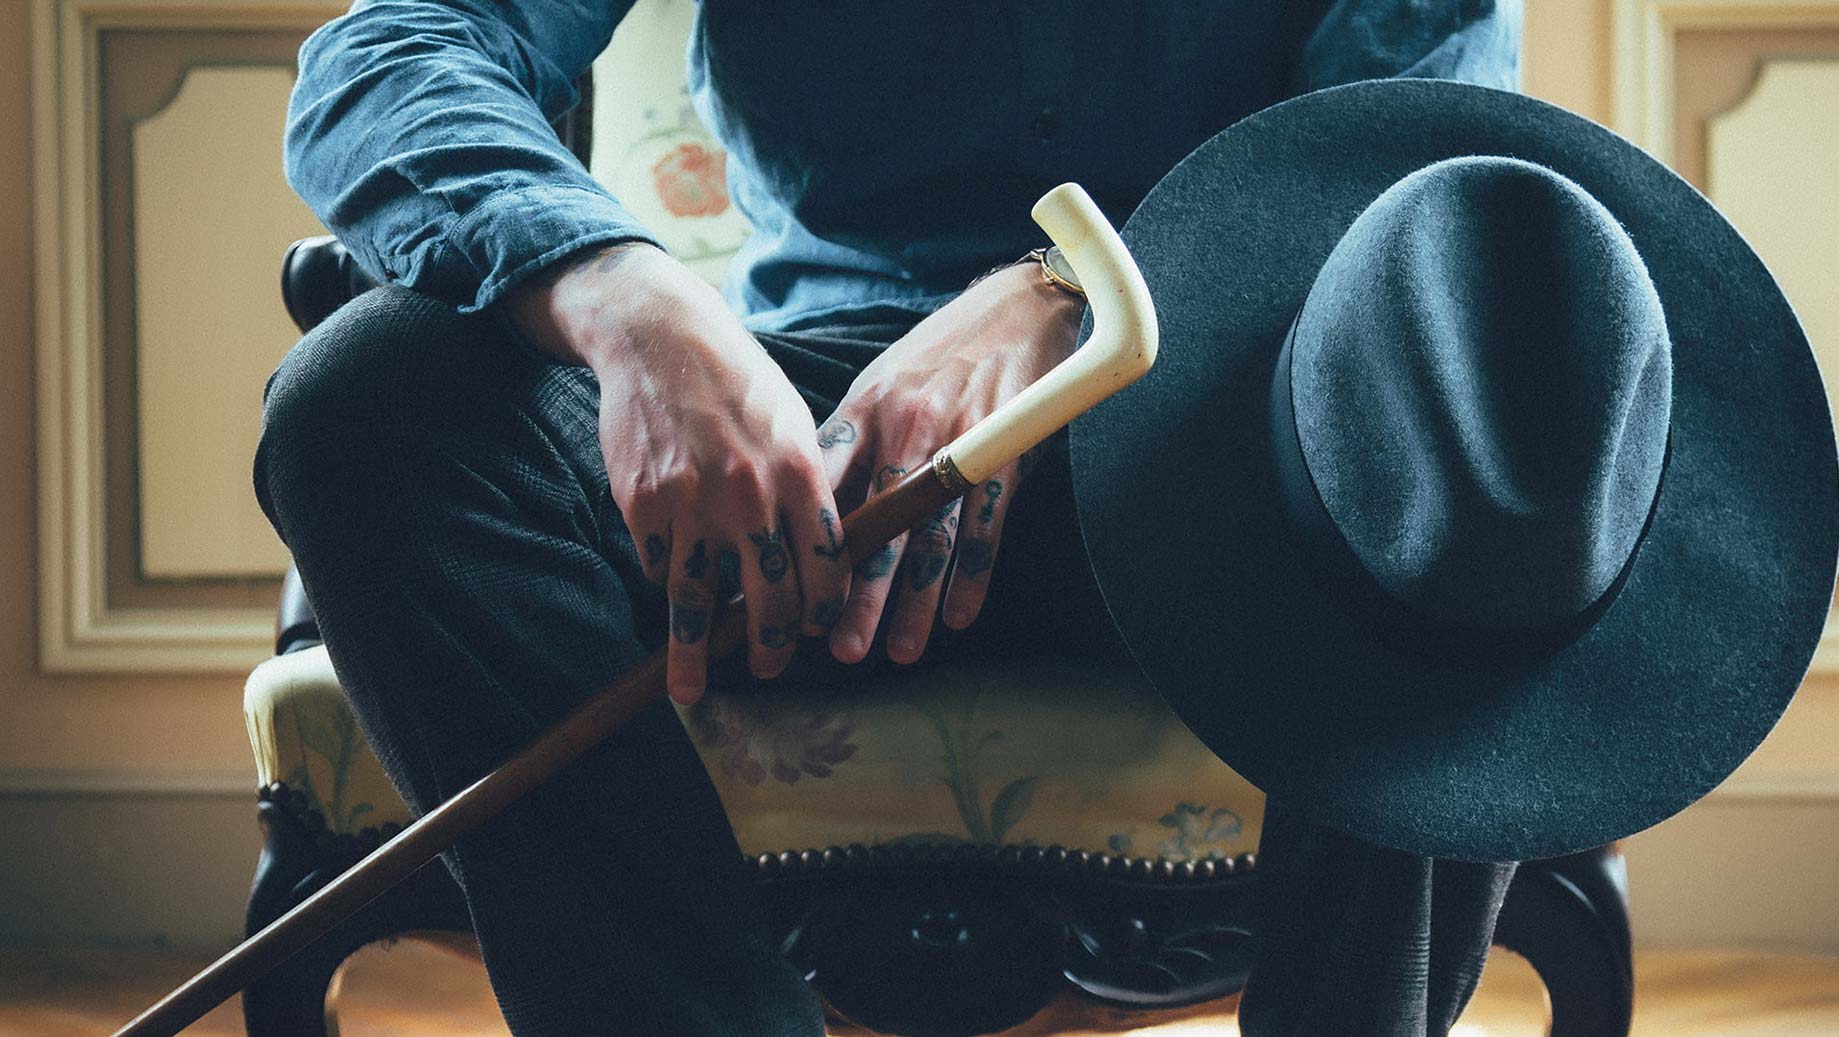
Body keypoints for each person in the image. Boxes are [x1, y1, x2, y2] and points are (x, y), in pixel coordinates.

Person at [260, 2, 1520, 1033]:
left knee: (1495, 402)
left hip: (1219, 457)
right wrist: (631, 300)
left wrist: (1071, 286)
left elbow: (1406, 162)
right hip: (807, 455)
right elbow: (388, 52)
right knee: (363, 403)